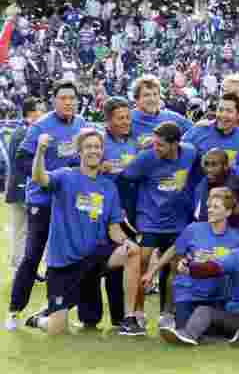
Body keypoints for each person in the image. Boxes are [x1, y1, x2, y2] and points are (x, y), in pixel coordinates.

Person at [24, 128, 144, 336]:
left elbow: (114, 228)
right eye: (88, 147)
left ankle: (129, 318)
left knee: (132, 250)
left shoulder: (108, 187)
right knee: (57, 328)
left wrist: (125, 241)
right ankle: (39, 319)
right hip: (64, 263)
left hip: (93, 258)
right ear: (79, 151)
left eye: (97, 147)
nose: (93, 151)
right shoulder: (65, 176)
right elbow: (40, 178)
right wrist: (41, 152)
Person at [7, 81, 89, 331]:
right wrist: (45, 177)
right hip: (42, 201)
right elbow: (21, 159)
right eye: (63, 98)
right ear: (54, 101)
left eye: (71, 98)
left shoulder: (82, 125)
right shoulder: (41, 126)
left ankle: (59, 310)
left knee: (70, 256)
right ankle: (14, 311)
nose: (68, 102)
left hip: (69, 201)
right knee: (32, 255)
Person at [122, 121, 200, 328]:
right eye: (154, 144)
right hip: (149, 220)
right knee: (142, 263)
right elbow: (125, 178)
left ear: (175, 144)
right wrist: (128, 210)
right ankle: (138, 312)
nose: (155, 148)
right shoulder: (146, 157)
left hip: (178, 221)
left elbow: (199, 172)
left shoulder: (190, 153)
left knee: (176, 267)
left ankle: (167, 314)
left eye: (160, 145)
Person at [143, 187, 239, 330]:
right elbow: (173, 250)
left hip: (217, 296)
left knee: (211, 332)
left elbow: (237, 269)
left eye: (216, 207)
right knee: (185, 329)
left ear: (228, 212)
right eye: (209, 206)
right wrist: (151, 272)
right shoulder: (193, 229)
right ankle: (172, 318)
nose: (210, 210)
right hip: (188, 293)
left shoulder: (235, 239)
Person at [5, 97, 43, 274]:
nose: (42, 113)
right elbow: (18, 164)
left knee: (26, 231)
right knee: (22, 232)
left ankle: (25, 269)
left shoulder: (24, 130)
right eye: (40, 110)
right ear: (32, 112)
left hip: (21, 188)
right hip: (21, 189)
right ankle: (19, 269)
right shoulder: (23, 132)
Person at [181, 93, 239, 168]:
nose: (223, 115)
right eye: (220, 110)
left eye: (229, 111)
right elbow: (178, 156)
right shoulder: (198, 131)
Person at [130, 75, 193, 148]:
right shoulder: (127, 119)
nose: (152, 99)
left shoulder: (173, 117)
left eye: (155, 94)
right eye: (146, 95)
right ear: (136, 99)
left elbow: (195, 132)